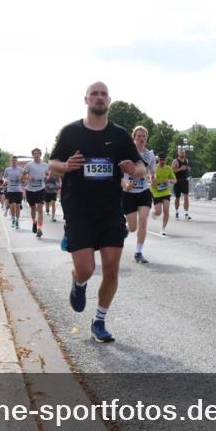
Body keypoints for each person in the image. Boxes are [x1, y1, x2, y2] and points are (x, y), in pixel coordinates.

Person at [48, 81, 145, 343]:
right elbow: (52, 164)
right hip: (78, 210)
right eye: (94, 94)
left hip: (111, 209)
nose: (99, 98)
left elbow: (141, 167)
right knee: (86, 269)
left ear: (109, 100)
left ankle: (99, 321)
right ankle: (78, 283)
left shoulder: (121, 135)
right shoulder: (71, 132)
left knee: (111, 269)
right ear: (86, 100)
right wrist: (66, 166)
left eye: (103, 94)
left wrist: (132, 170)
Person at [122, 126, 156, 263]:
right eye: (139, 136)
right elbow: (119, 175)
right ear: (134, 138)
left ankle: (138, 252)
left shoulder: (150, 155)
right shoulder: (126, 153)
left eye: (144, 136)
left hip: (144, 192)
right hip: (129, 193)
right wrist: (125, 185)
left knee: (143, 220)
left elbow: (152, 173)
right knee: (132, 227)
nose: (141, 139)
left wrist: (152, 178)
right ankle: (122, 229)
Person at [22, 148, 49, 238]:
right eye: (35, 154)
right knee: (33, 209)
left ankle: (40, 228)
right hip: (30, 190)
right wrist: (28, 178)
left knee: (40, 209)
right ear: (33, 155)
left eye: (38, 153)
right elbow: (22, 177)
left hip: (41, 189)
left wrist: (47, 177)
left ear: (40, 155)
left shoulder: (45, 165)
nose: (36, 155)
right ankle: (34, 221)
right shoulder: (29, 165)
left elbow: (48, 174)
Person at [150, 155, 176, 234]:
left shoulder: (168, 168)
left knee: (166, 210)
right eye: (161, 159)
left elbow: (175, 180)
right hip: (156, 192)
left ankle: (163, 228)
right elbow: (149, 178)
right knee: (159, 212)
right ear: (158, 160)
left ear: (166, 160)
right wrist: (153, 181)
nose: (162, 161)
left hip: (165, 192)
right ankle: (154, 213)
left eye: (164, 159)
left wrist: (169, 180)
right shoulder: (154, 168)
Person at [3, 156, 24, 228]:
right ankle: (13, 220)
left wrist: (21, 178)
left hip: (18, 190)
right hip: (10, 190)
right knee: (12, 206)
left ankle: (17, 221)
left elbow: (24, 180)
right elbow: (4, 177)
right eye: (12, 160)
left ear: (17, 161)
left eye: (15, 160)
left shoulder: (21, 170)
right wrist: (5, 180)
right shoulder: (7, 169)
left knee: (17, 206)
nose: (14, 162)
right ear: (10, 161)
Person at [172, 147, 192, 220]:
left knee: (186, 197)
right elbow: (172, 171)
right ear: (178, 153)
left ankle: (186, 213)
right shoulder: (175, 161)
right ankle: (177, 212)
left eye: (184, 152)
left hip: (185, 182)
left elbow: (187, 169)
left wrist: (188, 169)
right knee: (177, 198)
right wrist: (180, 169)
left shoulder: (186, 160)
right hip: (178, 182)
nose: (183, 153)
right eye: (181, 152)